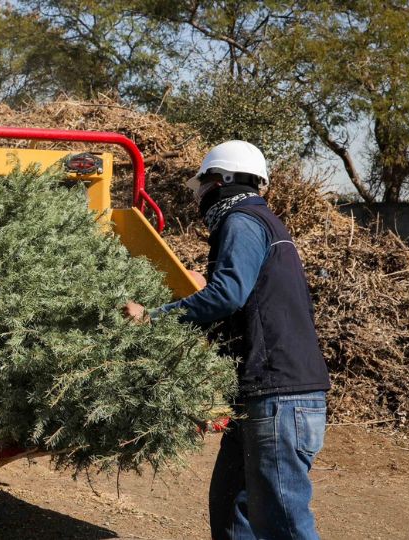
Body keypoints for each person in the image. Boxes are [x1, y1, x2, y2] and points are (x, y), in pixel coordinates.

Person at [125, 140, 331, 540]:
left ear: (222, 181)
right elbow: (245, 299)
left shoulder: (241, 221)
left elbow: (228, 294)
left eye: (203, 184)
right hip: (264, 395)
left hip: (279, 398)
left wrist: (154, 318)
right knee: (232, 510)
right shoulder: (262, 223)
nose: (200, 195)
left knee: (282, 523)